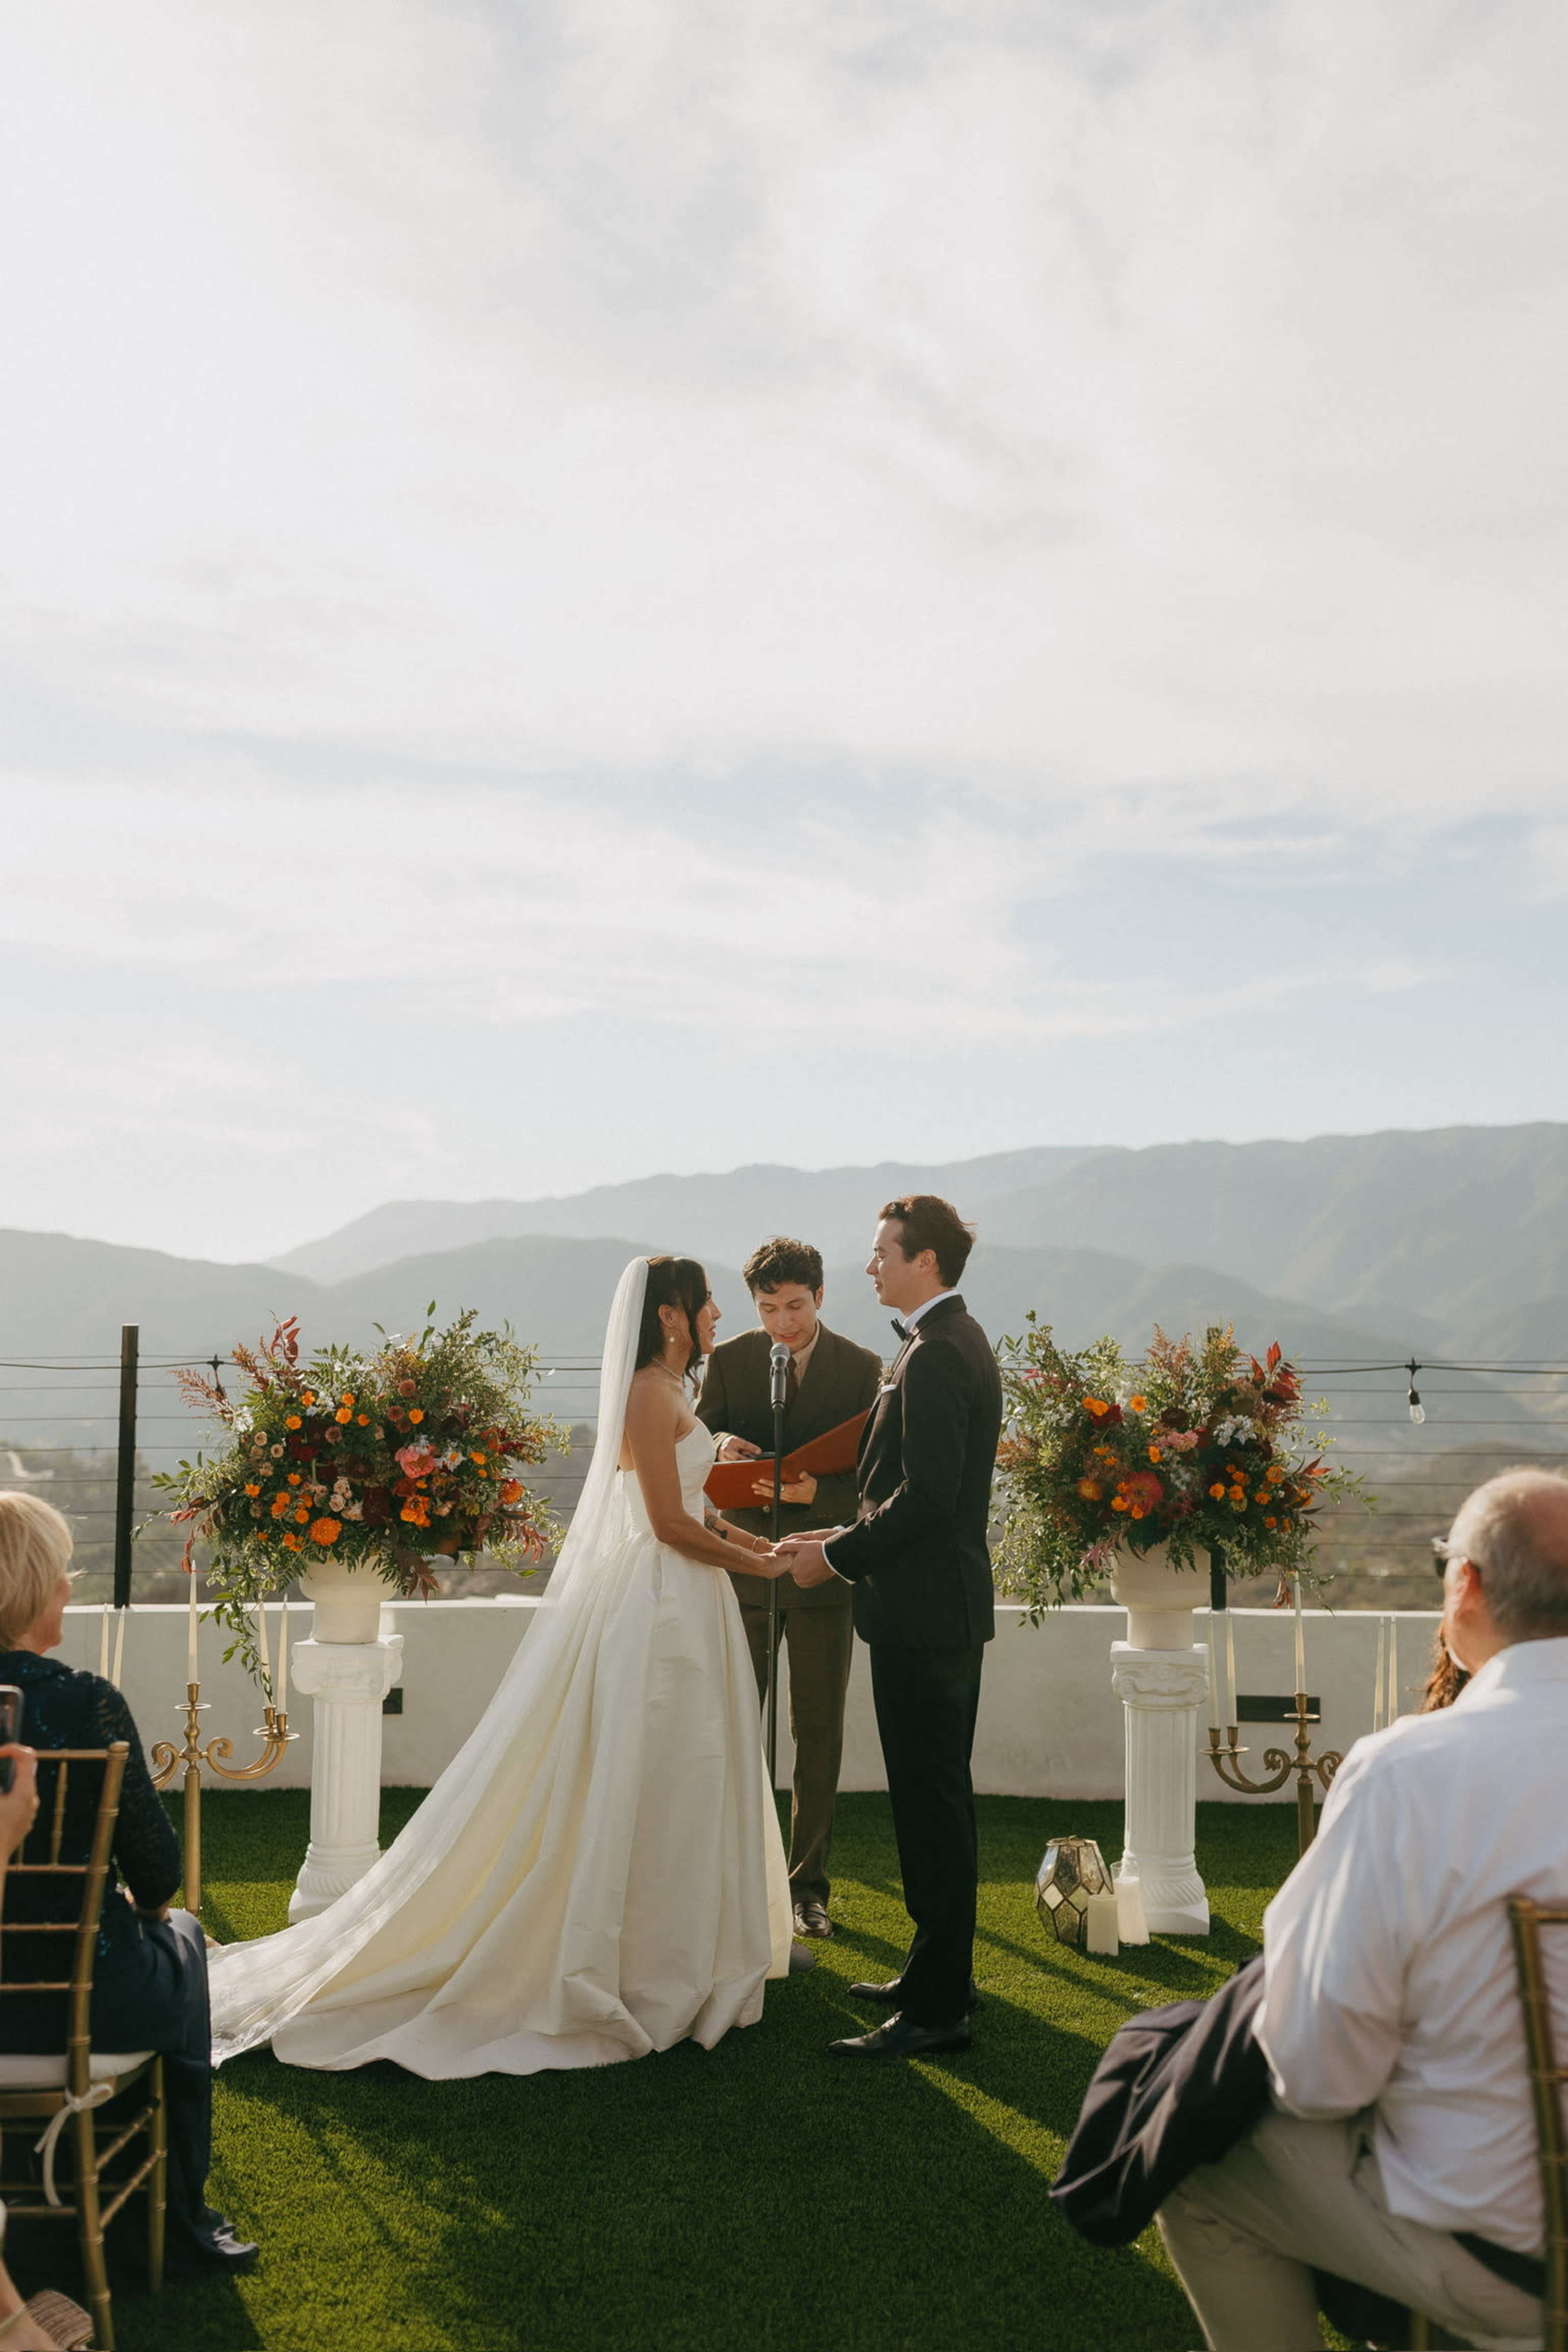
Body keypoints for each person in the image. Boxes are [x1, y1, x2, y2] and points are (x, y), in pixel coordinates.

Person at [207, 1255, 795, 2075]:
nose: (718, 1317)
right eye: (708, 1306)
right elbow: (664, 1523)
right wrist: (759, 1568)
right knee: (651, 1763)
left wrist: (758, 1545)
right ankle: (642, 1964)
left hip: (691, 1601)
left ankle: (681, 1951)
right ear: (671, 1315)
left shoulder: (674, 1393)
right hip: (660, 1604)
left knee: (683, 1772)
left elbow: (697, 1510)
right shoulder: (649, 1394)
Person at [1157, 1465, 1568, 2350]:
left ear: (1466, 1584)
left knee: (1194, 2162)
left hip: (1520, 2265)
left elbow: (1317, 2077)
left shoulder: (1411, 1774)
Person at [0, 1493, 257, 2278]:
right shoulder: (86, 1702)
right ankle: (183, 2214)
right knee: (181, 1937)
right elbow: (159, 1879)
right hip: (86, 2004)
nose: (71, 1588)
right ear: (37, 1586)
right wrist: (149, 1910)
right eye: (63, 1572)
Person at [781, 1196, 1002, 2060]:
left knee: (932, 1805)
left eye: (883, 1252)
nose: (870, 1265)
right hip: (928, 1609)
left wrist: (838, 1560)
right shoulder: (941, 1341)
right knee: (930, 1803)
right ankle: (933, 1974)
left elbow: (932, 1500)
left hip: (926, 1613)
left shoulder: (940, 1353)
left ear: (927, 1261)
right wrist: (837, 1535)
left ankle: (939, 2009)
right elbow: (907, 1493)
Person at [697, 1236, 882, 1940]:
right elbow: (700, 1430)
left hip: (823, 1575)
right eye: (769, 1308)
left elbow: (876, 1476)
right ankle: (731, 1877)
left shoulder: (864, 1369)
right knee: (734, 1725)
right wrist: (720, 1447)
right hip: (743, 1572)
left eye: (796, 1306)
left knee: (818, 1737)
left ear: (822, 1297)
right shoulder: (732, 1359)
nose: (783, 1323)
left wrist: (817, 1494)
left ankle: (808, 1889)